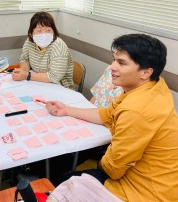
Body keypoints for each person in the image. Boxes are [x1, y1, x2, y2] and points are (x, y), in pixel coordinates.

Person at [46, 34, 178, 201]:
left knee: (54, 184)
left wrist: (101, 160)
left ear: (146, 72)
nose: (111, 67)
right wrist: (67, 110)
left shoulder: (136, 110)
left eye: (121, 63)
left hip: (144, 192)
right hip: (154, 180)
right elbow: (106, 114)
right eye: (114, 60)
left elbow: (113, 169)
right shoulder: (153, 85)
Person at [12, 11, 74, 89]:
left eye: (48, 30)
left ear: (53, 32)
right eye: (39, 31)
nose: (44, 35)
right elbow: (25, 59)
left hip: (60, 88)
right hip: (38, 82)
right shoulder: (29, 42)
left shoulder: (58, 46)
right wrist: (21, 73)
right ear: (31, 33)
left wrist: (27, 75)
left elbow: (54, 77)